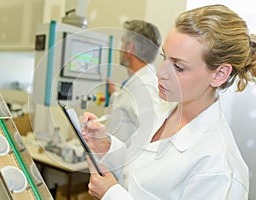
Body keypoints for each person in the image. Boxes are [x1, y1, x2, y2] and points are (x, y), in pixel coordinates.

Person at [81, 4, 255, 199]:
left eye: (178, 67)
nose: (161, 73)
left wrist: (111, 194)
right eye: (165, 57)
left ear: (219, 74)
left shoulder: (219, 166)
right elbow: (139, 171)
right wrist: (106, 146)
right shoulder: (166, 110)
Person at [105, 20, 168, 142]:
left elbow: (154, 134)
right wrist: (114, 94)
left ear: (130, 47)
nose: (120, 49)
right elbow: (129, 107)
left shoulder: (143, 87)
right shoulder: (141, 82)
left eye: (122, 43)